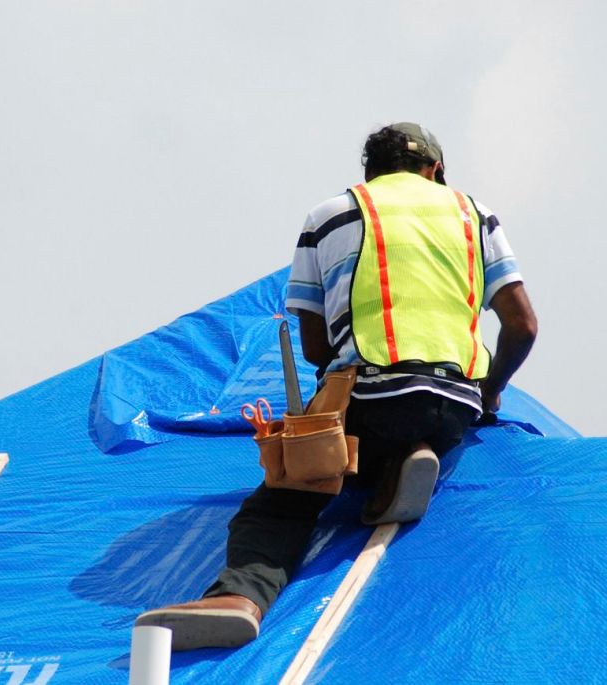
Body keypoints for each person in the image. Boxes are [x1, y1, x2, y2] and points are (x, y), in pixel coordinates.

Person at [136, 122, 538, 650]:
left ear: (368, 175)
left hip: (371, 397)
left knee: (287, 493)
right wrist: (490, 389)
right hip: (456, 404)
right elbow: (523, 325)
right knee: (409, 422)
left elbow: (316, 348)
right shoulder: (475, 214)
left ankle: (239, 596)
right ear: (435, 171)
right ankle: (404, 461)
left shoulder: (331, 216)